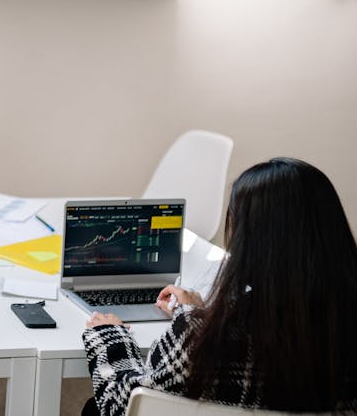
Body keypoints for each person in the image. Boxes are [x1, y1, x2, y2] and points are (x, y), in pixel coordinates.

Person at [81, 157, 357, 416]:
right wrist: (196, 314)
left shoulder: (206, 341)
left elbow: (120, 405)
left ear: (247, 238)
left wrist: (109, 335)